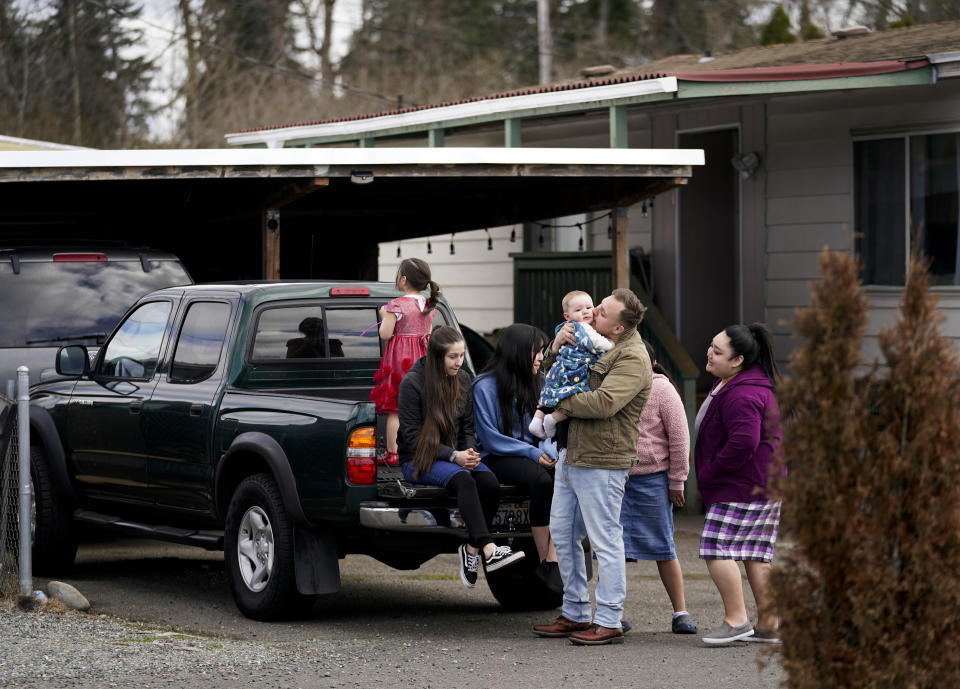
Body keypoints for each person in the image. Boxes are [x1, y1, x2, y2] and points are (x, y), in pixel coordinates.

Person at [533, 288, 651, 646]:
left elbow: (603, 402)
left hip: (603, 458)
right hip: (572, 450)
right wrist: (555, 347)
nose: (593, 311)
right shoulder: (588, 337)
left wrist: (556, 404)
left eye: (601, 311)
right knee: (563, 533)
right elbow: (554, 374)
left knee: (605, 540)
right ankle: (575, 612)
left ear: (618, 328)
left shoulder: (632, 356)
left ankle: (609, 619)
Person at [396, 325, 525, 588]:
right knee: (465, 482)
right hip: (418, 459)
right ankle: (489, 549)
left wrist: (468, 452)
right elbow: (412, 437)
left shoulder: (463, 379)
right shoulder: (413, 383)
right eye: (452, 357)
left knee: (489, 484)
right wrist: (453, 456)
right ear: (436, 357)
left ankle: (471, 548)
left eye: (461, 355)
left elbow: (467, 426)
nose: (459, 362)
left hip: (455, 455)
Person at [695, 323, 782, 645]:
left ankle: (736, 620)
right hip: (762, 485)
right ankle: (770, 624)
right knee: (757, 554)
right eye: (711, 345)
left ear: (738, 360)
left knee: (716, 548)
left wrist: (710, 472)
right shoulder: (746, 384)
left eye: (718, 351)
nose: (709, 353)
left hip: (740, 486)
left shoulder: (742, 392)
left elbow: (744, 442)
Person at [472, 324, 563, 593]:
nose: (540, 357)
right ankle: (545, 558)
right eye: (537, 351)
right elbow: (490, 439)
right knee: (541, 482)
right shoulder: (484, 386)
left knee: (565, 478)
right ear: (519, 352)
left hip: (532, 454)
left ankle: (552, 561)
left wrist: (550, 451)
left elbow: (547, 426)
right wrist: (535, 454)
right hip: (496, 455)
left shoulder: (540, 381)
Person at [620, 340, 698, 635]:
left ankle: (681, 612)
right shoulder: (615, 385)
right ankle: (612, 613)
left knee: (663, 546)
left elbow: (680, 437)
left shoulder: (662, 389)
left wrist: (677, 480)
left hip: (652, 478)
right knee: (613, 550)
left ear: (651, 363)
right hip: (616, 478)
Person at [371, 257, 440, 466]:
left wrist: (384, 314)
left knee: (396, 408)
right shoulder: (428, 304)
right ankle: (422, 449)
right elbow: (426, 334)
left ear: (403, 279)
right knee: (420, 406)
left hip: (400, 361)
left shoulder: (395, 305)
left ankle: (393, 453)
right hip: (422, 360)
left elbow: (385, 334)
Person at [529, 290, 613, 441]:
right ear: (568, 316)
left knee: (552, 390)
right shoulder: (577, 329)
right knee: (572, 390)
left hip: (588, 429)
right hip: (575, 375)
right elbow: (547, 364)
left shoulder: (573, 327)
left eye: (589, 307)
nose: (586, 312)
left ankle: (538, 418)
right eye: (579, 310)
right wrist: (556, 344)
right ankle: (551, 418)